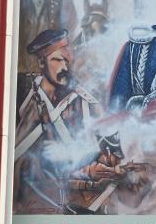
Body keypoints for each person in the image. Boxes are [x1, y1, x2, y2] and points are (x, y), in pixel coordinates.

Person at [13, 29, 101, 213]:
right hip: (23, 199)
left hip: (64, 199)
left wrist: (66, 153)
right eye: (57, 60)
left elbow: (95, 148)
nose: (64, 68)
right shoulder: (23, 92)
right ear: (41, 62)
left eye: (67, 61)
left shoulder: (81, 101)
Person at [67, 132, 152, 213]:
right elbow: (105, 171)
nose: (119, 160)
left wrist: (143, 180)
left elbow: (133, 201)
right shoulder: (93, 166)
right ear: (107, 153)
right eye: (117, 157)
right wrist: (127, 168)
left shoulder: (115, 177)